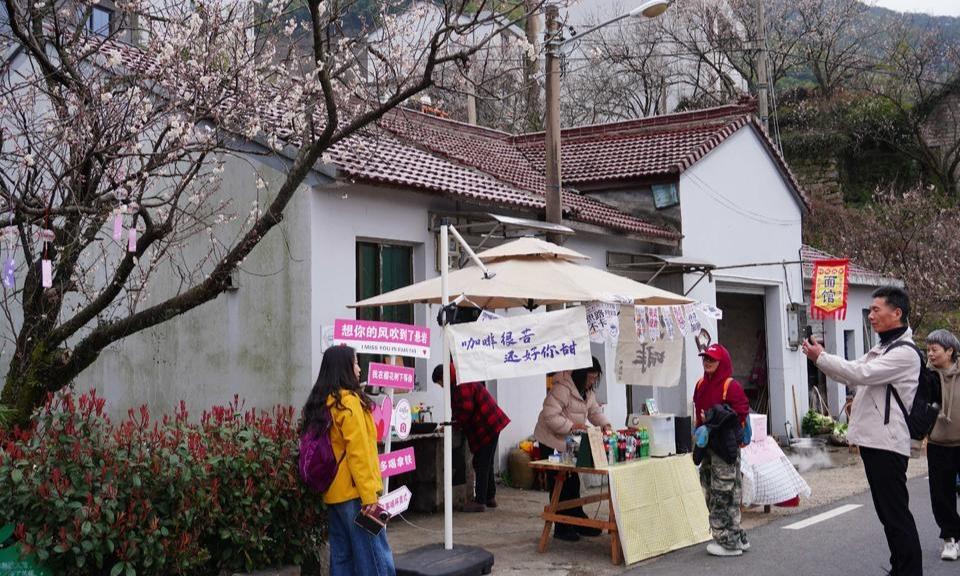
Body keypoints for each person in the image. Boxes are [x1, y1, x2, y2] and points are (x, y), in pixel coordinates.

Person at [803, 286, 923, 576]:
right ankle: (901, 567)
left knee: (895, 515)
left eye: (876, 310)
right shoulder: (883, 347)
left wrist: (821, 358)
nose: (871, 316)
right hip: (875, 441)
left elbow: (861, 374)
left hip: (888, 443)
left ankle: (909, 571)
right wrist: (821, 357)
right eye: (870, 311)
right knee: (889, 515)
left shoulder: (904, 353)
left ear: (897, 313)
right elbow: (853, 368)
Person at [300, 346, 395, 576]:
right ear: (344, 368)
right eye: (355, 363)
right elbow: (359, 454)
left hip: (334, 495)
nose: (359, 369)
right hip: (358, 496)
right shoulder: (350, 402)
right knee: (374, 558)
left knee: (342, 560)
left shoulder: (324, 403)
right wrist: (370, 496)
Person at [534, 356, 613, 542]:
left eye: (595, 378)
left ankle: (578, 521)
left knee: (573, 482)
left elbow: (594, 412)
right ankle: (562, 526)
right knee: (560, 483)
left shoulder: (587, 392)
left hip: (570, 442)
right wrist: (572, 426)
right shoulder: (562, 388)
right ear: (580, 375)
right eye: (591, 378)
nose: (593, 382)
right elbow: (549, 416)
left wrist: (606, 425)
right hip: (551, 441)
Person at [692, 343, 750, 557]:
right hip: (707, 448)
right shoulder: (700, 384)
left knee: (723, 494)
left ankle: (726, 542)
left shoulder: (730, 386)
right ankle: (736, 536)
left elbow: (741, 414)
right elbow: (698, 413)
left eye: (712, 359)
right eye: (705, 358)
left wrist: (717, 427)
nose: (707, 362)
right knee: (712, 489)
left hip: (724, 451)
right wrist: (700, 431)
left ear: (722, 362)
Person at [432, 363, 510, 513]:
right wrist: (452, 422)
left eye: (440, 383)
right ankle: (489, 497)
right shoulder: (459, 379)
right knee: (485, 462)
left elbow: (466, 409)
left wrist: (453, 424)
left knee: (481, 463)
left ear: (443, 377)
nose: (442, 387)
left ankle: (480, 501)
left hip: (487, 424)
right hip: (491, 423)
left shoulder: (460, 383)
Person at [925, 329, 960, 561]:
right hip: (938, 444)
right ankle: (950, 539)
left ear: (950, 351)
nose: (930, 353)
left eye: (934, 349)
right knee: (941, 495)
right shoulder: (926, 376)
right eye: (928, 349)